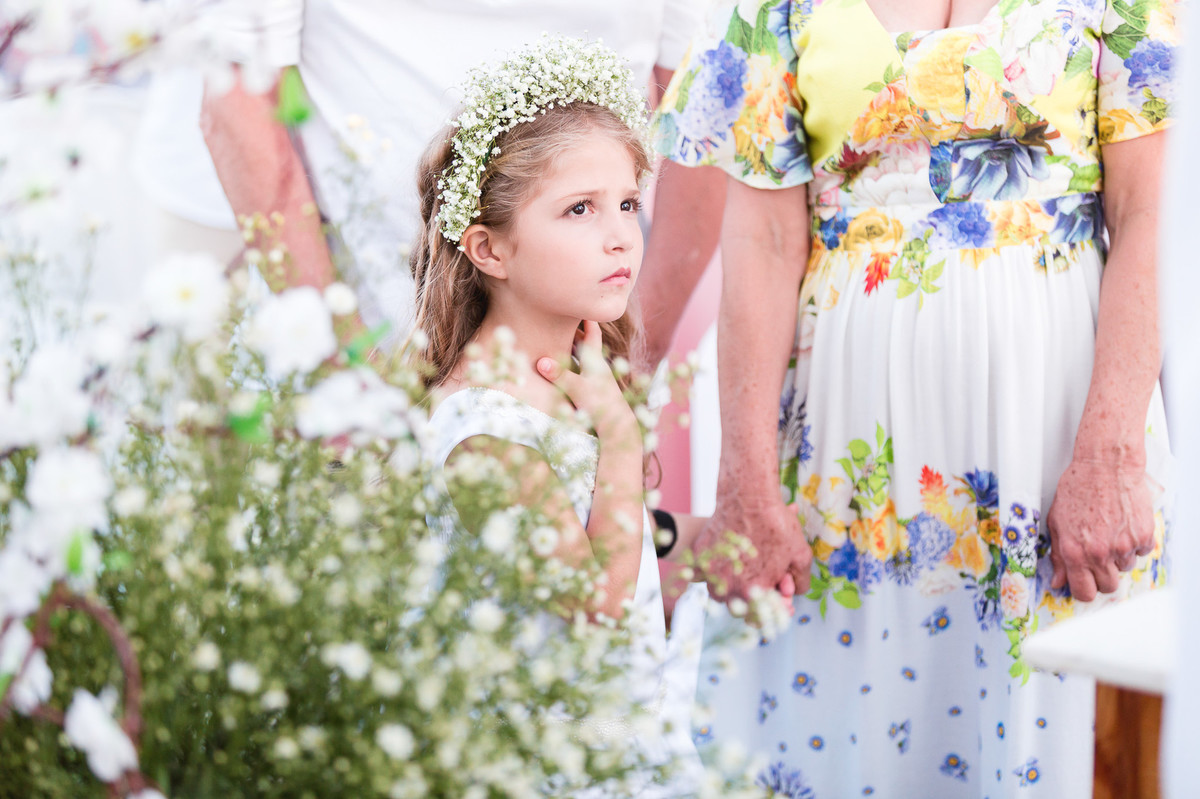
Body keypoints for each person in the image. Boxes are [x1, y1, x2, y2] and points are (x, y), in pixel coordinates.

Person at [656, 0, 1175, 796]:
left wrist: (1111, 454)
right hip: (842, 474)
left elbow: (1152, 216)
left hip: (1055, 453)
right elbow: (760, 243)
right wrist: (746, 483)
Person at [413, 38, 705, 795]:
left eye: (628, 203)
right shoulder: (483, 430)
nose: (620, 236)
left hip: (616, 740)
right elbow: (595, 609)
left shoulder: (576, 380)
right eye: (580, 209)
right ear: (489, 248)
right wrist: (620, 436)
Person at [199, 0, 724, 356]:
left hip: (581, 340)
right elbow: (237, 94)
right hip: (356, 323)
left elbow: (704, 106)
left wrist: (630, 354)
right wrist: (338, 365)